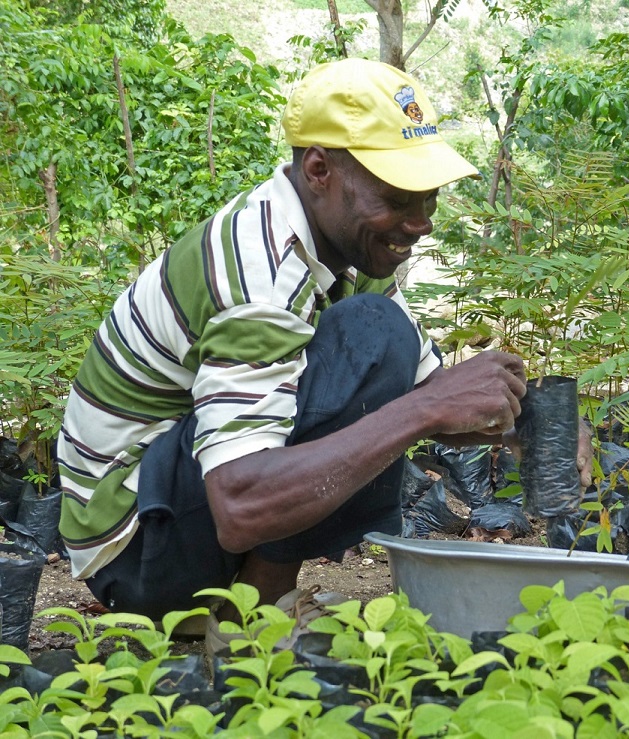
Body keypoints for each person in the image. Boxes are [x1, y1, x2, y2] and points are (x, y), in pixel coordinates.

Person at [56, 58, 592, 640]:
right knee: (374, 330)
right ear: (318, 170)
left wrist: (530, 425)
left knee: (379, 335)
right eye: (398, 199)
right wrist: (425, 410)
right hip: (135, 543)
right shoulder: (262, 272)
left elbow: (426, 389)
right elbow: (239, 508)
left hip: (175, 511)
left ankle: (253, 606)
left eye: (429, 200)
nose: (421, 224)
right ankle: (248, 623)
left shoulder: (348, 250)